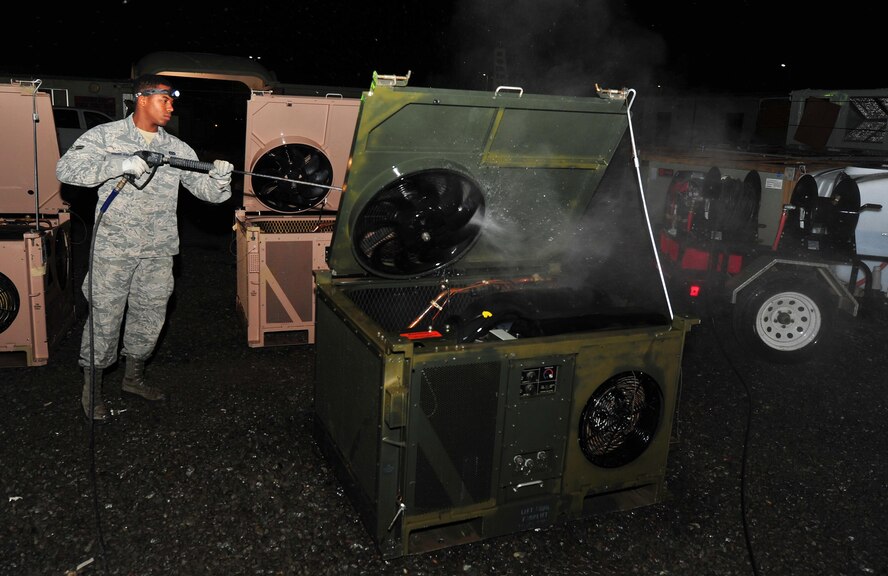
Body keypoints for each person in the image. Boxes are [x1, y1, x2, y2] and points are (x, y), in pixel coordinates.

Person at [56, 74, 234, 422]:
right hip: (113, 250)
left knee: (150, 316)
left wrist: (220, 180)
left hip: (158, 250)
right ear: (141, 98)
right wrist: (118, 164)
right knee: (105, 318)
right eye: (164, 99)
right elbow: (67, 169)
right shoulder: (106, 136)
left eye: (172, 101)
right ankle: (92, 392)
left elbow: (207, 193)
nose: (171, 106)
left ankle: (133, 379)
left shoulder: (178, 149)